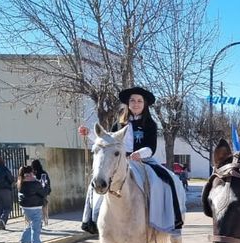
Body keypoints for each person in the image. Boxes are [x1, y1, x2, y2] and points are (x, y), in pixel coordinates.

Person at [79, 86, 186, 234]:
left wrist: (139, 154)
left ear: (145, 104)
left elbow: (151, 147)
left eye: (139, 101)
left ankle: (162, 217)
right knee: (97, 180)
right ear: (128, 103)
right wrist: (89, 133)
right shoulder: (118, 124)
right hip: (120, 161)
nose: (136, 103)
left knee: (165, 179)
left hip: (144, 160)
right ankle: (94, 219)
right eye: (133, 100)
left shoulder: (150, 124)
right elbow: (107, 140)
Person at [17, 165, 48, 243]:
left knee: (33, 224)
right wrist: (44, 185)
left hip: (25, 207)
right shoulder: (35, 184)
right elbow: (44, 193)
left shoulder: (20, 182)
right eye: (32, 172)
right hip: (35, 207)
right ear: (31, 173)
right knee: (36, 228)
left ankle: (24, 240)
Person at [30, 159, 51, 226]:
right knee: (44, 206)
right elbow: (46, 183)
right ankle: (45, 220)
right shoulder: (43, 173)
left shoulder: (33, 174)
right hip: (43, 192)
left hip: (36, 193)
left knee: (38, 207)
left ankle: (41, 220)